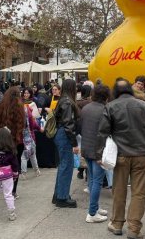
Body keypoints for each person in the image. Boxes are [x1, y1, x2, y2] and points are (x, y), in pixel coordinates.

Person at [96, 79, 145, 239]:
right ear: (130, 90)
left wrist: (99, 155)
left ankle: (117, 224)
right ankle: (134, 229)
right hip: (142, 155)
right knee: (139, 193)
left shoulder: (110, 106)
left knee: (119, 190)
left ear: (115, 92)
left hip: (121, 155)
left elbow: (102, 132)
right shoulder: (144, 106)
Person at [0, 87, 25, 199]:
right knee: (15, 165)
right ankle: (12, 191)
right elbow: (25, 125)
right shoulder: (21, 109)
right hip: (16, 141)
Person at [81, 84, 110, 223]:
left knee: (93, 180)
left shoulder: (86, 108)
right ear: (106, 97)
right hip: (98, 150)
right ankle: (92, 213)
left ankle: (95, 208)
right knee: (97, 181)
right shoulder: (105, 110)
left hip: (86, 148)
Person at [52, 79, 80, 208]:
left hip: (60, 133)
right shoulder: (68, 102)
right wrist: (74, 143)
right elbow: (69, 124)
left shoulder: (63, 100)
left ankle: (59, 195)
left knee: (63, 165)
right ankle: (62, 197)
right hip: (65, 135)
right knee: (66, 166)